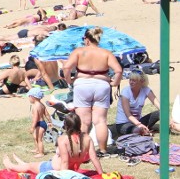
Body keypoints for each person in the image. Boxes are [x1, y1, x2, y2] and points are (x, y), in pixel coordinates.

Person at [62, 26, 123, 154]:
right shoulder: (106, 53)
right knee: (100, 120)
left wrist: (69, 80)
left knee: (83, 121)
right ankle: (102, 150)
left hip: (82, 84)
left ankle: (82, 151)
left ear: (87, 39)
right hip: (101, 85)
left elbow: (66, 67)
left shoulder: (79, 52)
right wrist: (114, 82)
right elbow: (118, 70)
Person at [3, 112, 105, 176]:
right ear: (79, 124)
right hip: (66, 169)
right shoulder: (87, 138)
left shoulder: (63, 139)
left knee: (29, 167)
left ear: (66, 126)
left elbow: (65, 162)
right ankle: (21, 163)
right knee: (31, 165)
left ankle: (11, 166)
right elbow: (94, 158)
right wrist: (101, 174)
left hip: (53, 168)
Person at [114, 70, 160, 137]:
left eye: (134, 80)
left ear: (141, 81)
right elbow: (128, 114)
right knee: (137, 130)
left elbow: (157, 104)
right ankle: (143, 131)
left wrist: (168, 119)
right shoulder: (125, 92)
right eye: (130, 80)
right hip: (124, 124)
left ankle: (172, 126)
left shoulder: (146, 89)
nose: (131, 82)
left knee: (160, 113)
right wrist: (139, 125)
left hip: (138, 122)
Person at [28, 88, 51, 156]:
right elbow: (47, 114)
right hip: (42, 123)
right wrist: (50, 121)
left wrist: (32, 127)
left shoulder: (35, 106)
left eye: (29, 97)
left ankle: (41, 153)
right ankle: (37, 149)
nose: (29, 99)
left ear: (33, 97)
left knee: (39, 139)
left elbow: (35, 118)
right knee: (35, 137)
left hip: (40, 124)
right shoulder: (42, 104)